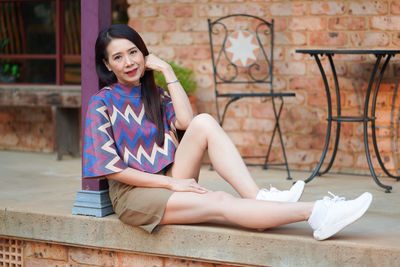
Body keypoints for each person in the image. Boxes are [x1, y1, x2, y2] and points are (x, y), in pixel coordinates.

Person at [82, 24, 372, 241]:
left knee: (205, 121)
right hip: (136, 195)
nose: (130, 62)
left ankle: (259, 197)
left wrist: (167, 71)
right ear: (107, 65)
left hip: (171, 177)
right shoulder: (101, 103)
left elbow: (186, 122)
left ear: (144, 52)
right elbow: (110, 169)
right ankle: (319, 212)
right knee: (220, 201)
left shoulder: (154, 94)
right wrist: (171, 186)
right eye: (118, 57)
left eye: (133, 52)